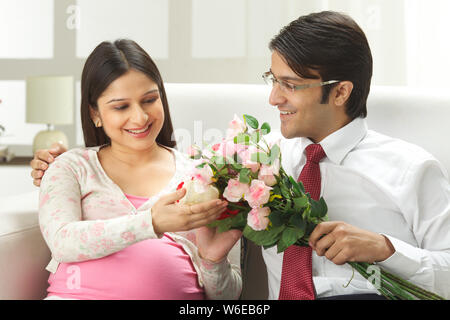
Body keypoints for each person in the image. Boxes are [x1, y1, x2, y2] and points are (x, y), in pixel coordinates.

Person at [32, 11, 450, 300]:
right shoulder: (253, 166)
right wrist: (55, 166)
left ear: (340, 91)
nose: (272, 98)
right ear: (96, 112)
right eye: (272, 80)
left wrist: (385, 250)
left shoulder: (412, 169)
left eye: (289, 84)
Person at [34, 39, 242, 300]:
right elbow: (62, 242)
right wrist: (151, 223)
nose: (141, 117)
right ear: (94, 113)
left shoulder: (203, 176)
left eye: (149, 100)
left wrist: (213, 261)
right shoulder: (71, 167)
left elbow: (227, 298)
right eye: (121, 106)